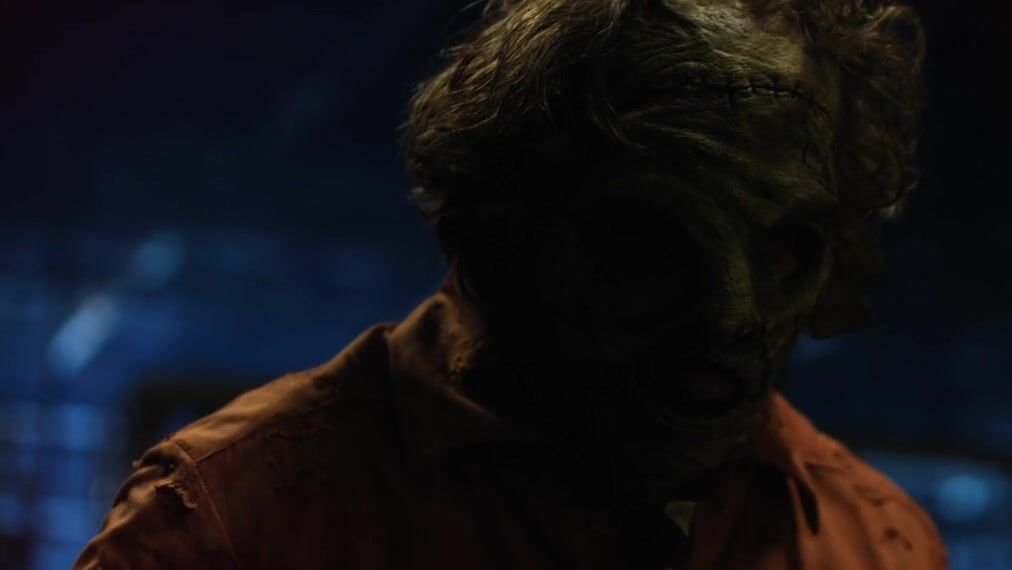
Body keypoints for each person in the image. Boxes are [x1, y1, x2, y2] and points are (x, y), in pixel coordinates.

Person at [75, 0, 943, 567]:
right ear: (500, 226)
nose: (732, 318)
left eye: (786, 248)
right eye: (649, 240)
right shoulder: (232, 526)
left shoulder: (876, 543)